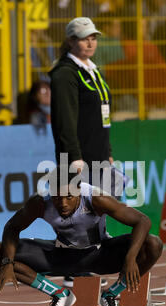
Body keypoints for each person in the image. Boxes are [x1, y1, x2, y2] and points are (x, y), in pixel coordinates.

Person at [0, 167, 163, 306]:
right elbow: (12, 227)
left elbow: (142, 220)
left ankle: (110, 295)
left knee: (153, 244)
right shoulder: (40, 203)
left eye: (69, 197)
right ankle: (58, 293)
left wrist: (131, 258)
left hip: (99, 255)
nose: (62, 203)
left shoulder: (96, 198)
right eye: (57, 198)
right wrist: (6, 263)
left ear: (79, 190)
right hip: (61, 257)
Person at [48, 17, 118, 287]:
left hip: (97, 153)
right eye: (83, 37)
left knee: (95, 213)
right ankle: (74, 269)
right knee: (77, 214)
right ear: (70, 41)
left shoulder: (92, 69)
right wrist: (73, 156)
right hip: (78, 157)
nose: (90, 42)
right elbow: (65, 119)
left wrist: (107, 150)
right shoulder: (65, 73)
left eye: (94, 37)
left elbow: (102, 116)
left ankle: (88, 265)